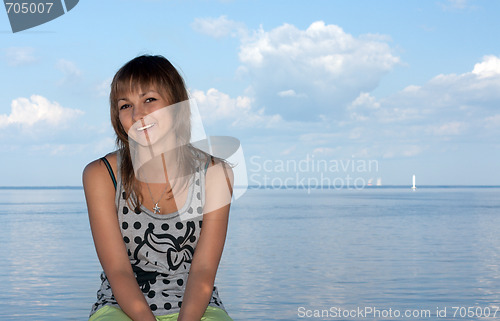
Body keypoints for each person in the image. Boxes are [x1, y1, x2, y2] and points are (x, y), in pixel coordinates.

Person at [83, 55, 234, 321]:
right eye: (125, 105)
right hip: (121, 307)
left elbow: (204, 270)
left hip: (198, 307)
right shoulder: (101, 175)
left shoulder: (216, 173)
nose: (138, 114)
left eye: (149, 99)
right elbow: (118, 270)